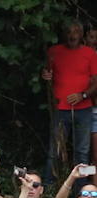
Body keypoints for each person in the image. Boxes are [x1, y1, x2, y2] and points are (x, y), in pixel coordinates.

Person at [43, 22, 97, 183]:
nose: (72, 35)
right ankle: (48, 186)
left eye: (76, 32)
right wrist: (45, 76)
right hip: (60, 108)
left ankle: (82, 189)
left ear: (81, 35)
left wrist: (83, 95)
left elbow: (96, 81)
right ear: (64, 34)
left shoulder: (90, 53)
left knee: (83, 151)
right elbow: (47, 75)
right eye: (69, 32)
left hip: (84, 109)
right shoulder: (53, 52)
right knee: (55, 150)